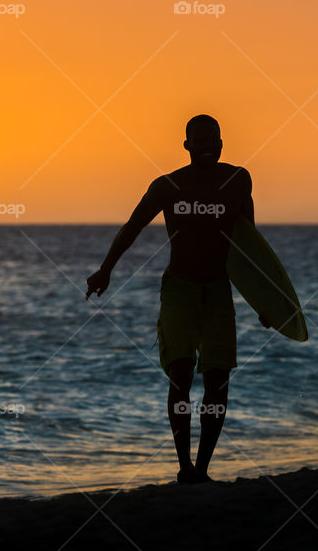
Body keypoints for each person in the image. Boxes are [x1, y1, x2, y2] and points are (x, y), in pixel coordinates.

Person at [85, 114, 266, 484]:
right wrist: (106, 270)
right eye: (198, 141)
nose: (206, 147)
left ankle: (203, 469)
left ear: (222, 142)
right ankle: (184, 466)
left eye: (212, 140)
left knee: (218, 380)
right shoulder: (168, 186)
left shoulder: (238, 180)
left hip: (218, 289)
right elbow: (132, 226)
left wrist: (266, 300)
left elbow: (249, 245)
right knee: (180, 375)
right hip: (179, 290)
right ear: (186, 145)